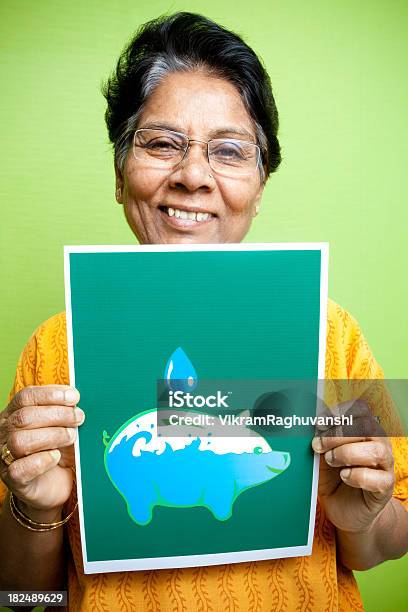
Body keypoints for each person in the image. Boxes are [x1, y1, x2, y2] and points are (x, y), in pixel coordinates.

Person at [0, 12, 407, 612]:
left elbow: (383, 548)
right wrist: (32, 508)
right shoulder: (55, 349)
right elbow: (24, 597)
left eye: (229, 151)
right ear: (120, 174)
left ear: (260, 185)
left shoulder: (331, 333)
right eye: (162, 143)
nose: (193, 176)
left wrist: (363, 519)